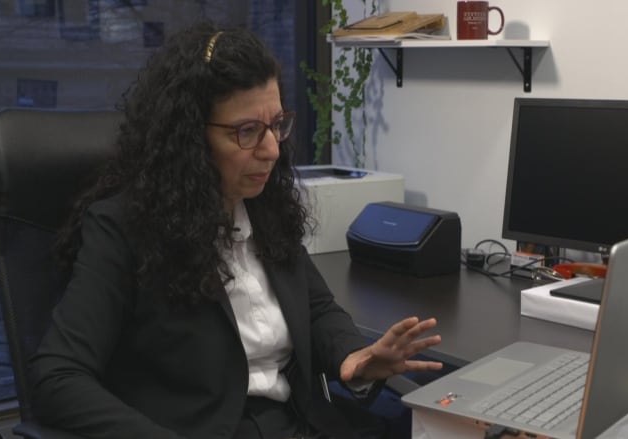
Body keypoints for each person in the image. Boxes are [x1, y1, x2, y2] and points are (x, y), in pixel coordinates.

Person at [28, 21, 442, 439]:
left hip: (295, 425)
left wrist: (355, 356)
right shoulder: (123, 228)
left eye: (277, 124)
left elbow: (315, 308)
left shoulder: (264, 209)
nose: (272, 150)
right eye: (247, 132)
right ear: (190, 138)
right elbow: (58, 377)